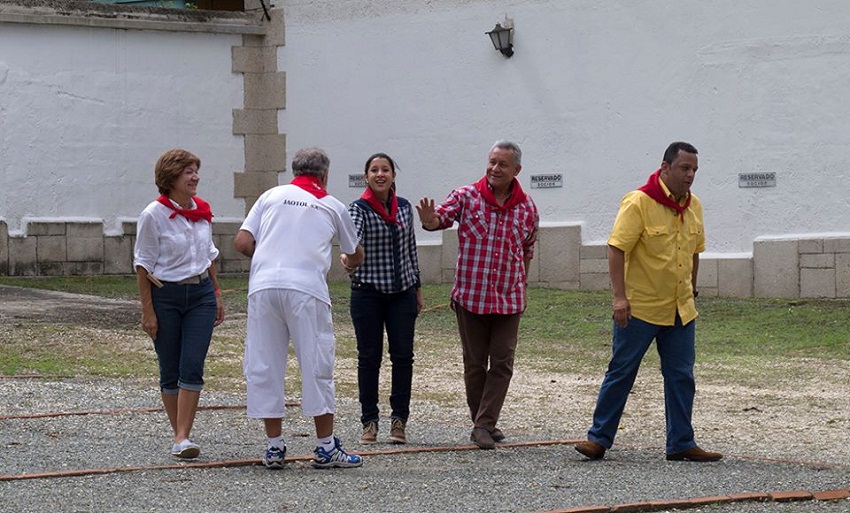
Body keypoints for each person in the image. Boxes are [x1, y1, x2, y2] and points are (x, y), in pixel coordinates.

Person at [575, 141, 723, 462]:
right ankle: (598, 439)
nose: (690, 175)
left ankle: (681, 442)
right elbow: (617, 248)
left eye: (695, 170)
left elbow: (695, 251)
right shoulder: (639, 202)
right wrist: (619, 298)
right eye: (685, 168)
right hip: (640, 308)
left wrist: (692, 290)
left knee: (682, 376)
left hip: (680, 309)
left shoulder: (693, 205)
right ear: (665, 167)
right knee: (622, 371)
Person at [235, 147, 365, 469]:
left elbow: (242, 242)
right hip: (306, 288)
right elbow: (354, 251)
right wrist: (349, 263)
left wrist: (271, 254)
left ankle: (275, 446)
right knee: (316, 361)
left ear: (294, 171)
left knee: (265, 362)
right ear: (325, 175)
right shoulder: (332, 205)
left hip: (264, 285)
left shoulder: (270, 195)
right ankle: (324, 447)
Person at [416, 140, 539, 450]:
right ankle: (483, 422)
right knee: (474, 363)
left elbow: (527, 249)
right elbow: (438, 219)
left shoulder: (527, 208)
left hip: (508, 298)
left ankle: (483, 424)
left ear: (516, 170)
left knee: (502, 362)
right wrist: (429, 219)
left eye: (503, 164)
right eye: (492, 162)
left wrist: (521, 282)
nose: (495, 168)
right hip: (471, 296)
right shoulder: (466, 196)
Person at [133, 148, 225, 460]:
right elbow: (143, 266)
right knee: (170, 367)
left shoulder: (202, 211)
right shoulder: (152, 215)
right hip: (166, 297)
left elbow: (209, 256)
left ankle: (183, 436)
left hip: (200, 296)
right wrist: (148, 311)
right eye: (188, 172)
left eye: (196, 170)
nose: (195, 177)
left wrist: (216, 294)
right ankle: (180, 436)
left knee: (193, 364)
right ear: (170, 177)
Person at [344, 153, 423, 445]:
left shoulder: (403, 208)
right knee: (369, 358)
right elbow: (353, 241)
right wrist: (348, 259)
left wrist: (417, 287)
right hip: (368, 293)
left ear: (393, 176)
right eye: (374, 170)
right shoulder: (359, 209)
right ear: (366, 177)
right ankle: (369, 421)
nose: (380, 174)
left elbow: (411, 250)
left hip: (402, 293)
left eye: (385, 170)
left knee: (403, 357)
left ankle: (399, 420)